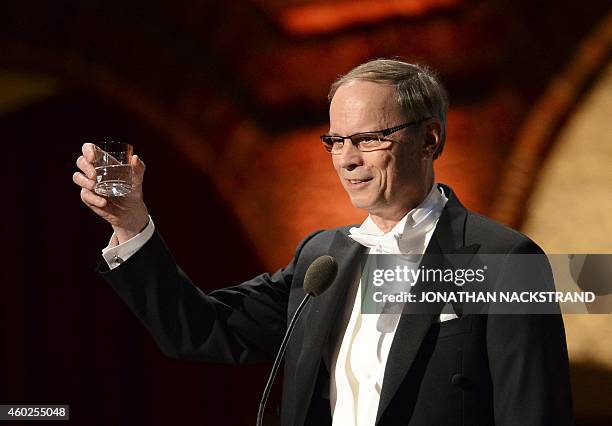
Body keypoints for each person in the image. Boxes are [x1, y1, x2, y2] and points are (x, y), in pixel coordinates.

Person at [73, 59, 574, 426]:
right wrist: (131, 226)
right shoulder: (323, 258)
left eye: (368, 138)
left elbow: (534, 413)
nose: (346, 159)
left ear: (430, 140)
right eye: (336, 141)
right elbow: (205, 331)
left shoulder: (502, 259)